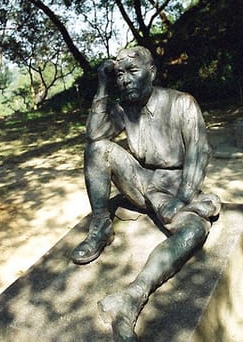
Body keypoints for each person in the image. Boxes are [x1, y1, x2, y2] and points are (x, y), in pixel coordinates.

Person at [71, 46, 221, 341]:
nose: (124, 80)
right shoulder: (124, 108)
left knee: (192, 231)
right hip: (140, 180)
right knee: (97, 150)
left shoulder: (182, 103)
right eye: (119, 75)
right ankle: (101, 227)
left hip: (176, 185)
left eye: (132, 72)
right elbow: (94, 134)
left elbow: (198, 152)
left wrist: (182, 197)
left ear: (151, 72)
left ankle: (133, 295)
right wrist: (102, 85)